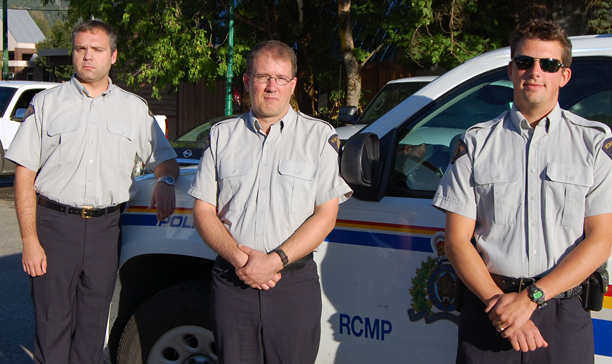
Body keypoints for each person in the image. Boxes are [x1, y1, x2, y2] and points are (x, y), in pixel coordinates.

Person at [432, 19, 612, 363]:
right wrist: (501, 307)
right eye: (525, 62)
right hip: (490, 308)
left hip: (561, 312)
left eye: (549, 64)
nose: (535, 71)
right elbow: (456, 240)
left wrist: (529, 300)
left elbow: (599, 240)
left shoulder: (594, 143)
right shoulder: (476, 142)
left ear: (564, 76)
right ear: (511, 70)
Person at [5, 20, 179, 364]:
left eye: (97, 49)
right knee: (52, 325)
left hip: (106, 230)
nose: (88, 56)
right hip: (55, 226)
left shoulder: (133, 109)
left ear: (113, 56)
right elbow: (24, 174)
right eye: (81, 48)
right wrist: (29, 240)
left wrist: (166, 182)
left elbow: (165, 160)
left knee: (92, 326)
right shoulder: (46, 104)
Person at [189, 40, 352, 364]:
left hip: (292, 282)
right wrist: (242, 260)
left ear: (292, 85)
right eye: (263, 76)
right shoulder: (221, 135)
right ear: (248, 81)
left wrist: (275, 260)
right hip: (233, 281)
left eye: (280, 78)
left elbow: (325, 215)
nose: (271, 86)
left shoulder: (318, 137)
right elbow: (203, 210)